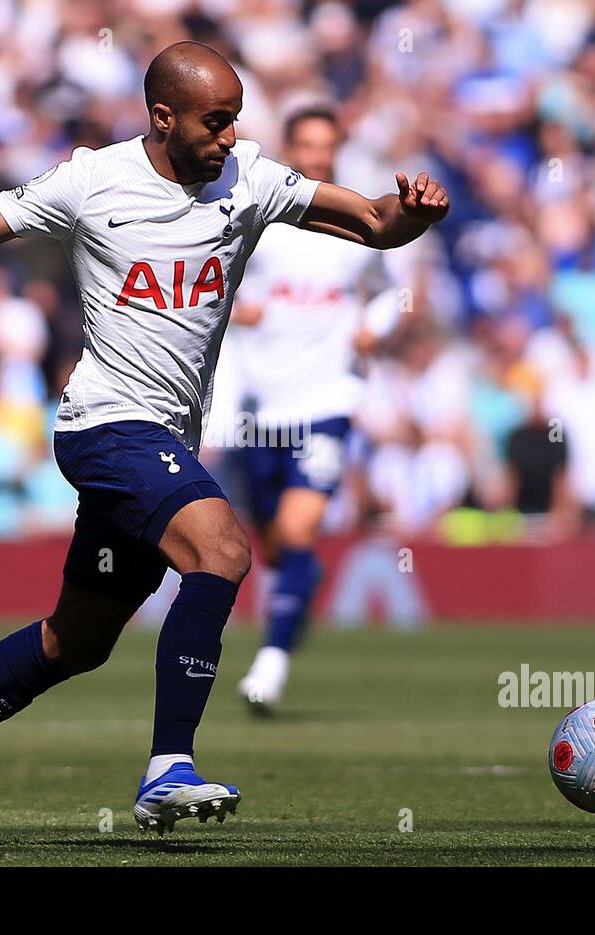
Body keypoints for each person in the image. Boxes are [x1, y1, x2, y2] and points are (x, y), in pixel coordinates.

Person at [0, 41, 449, 844]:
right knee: (221, 551)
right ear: (163, 117)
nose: (228, 136)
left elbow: (369, 223)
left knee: (75, 642)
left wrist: (413, 218)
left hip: (165, 436)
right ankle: (167, 769)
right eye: (215, 122)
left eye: (235, 120)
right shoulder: (91, 181)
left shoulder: (248, 178)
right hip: (105, 424)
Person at [225, 105, 400, 712]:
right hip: (260, 406)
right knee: (273, 549)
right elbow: (217, 278)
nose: (319, 156)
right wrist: (235, 308)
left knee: (299, 531)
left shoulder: (352, 224)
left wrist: (374, 327)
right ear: (290, 146)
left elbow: (388, 293)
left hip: (326, 400)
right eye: (308, 144)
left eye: (328, 145)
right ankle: (299, 590)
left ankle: (269, 667)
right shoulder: (259, 215)